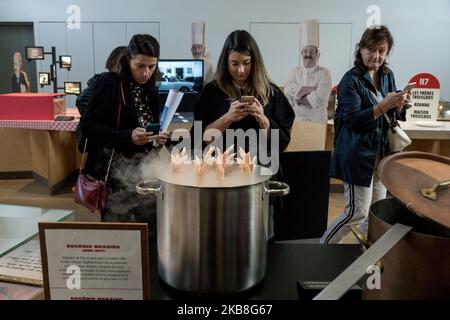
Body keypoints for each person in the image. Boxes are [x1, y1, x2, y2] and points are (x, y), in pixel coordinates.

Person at [193, 30, 295, 239]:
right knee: (221, 234)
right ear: (225, 63)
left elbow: (281, 142)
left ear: (255, 62)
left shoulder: (271, 92)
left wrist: (264, 120)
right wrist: (227, 118)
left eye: (247, 63)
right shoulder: (212, 92)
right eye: (235, 63)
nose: (241, 70)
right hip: (221, 176)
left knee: (260, 234)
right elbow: (199, 139)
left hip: (260, 177)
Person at [321, 25, 408, 244]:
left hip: (381, 153)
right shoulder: (350, 80)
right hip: (357, 154)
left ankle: (366, 257)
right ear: (360, 49)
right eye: (371, 49)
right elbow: (352, 120)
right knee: (356, 212)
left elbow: (392, 112)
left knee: (376, 212)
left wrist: (399, 105)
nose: (376, 56)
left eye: (382, 50)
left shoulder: (387, 75)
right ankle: (323, 247)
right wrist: (383, 105)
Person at [79, 34, 169, 233]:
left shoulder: (151, 89)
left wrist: (157, 139)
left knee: (150, 230)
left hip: (145, 171)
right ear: (129, 60)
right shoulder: (109, 83)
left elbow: (149, 127)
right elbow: (89, 126)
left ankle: (148, 264)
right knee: (118, 233)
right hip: (115, 175)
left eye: (151, 66)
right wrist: (127, 136)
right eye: (140, 66)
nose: (146, 73)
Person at [284, 20, 332, 123]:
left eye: (311, 51)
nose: (308, 54)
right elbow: (288, 93)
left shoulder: (325, 73)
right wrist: (310, 90)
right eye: (305, 51)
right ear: (301, 53)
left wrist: (298, 98)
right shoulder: (293, 73)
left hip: (317, 122)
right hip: (297, 121)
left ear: (317, 54)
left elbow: (320, 98)